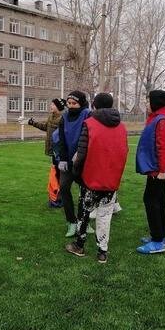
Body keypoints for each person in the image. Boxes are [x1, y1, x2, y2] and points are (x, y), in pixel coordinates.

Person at [65, 93, 128, 263]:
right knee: (105, 215)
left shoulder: (89, 124)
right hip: (111, 180)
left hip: (91, 178)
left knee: (84, 213)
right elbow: (124, 152)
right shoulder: (121, 127)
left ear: (94, 105)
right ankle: (102, 251)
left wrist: (76, 173)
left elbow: (82, 152)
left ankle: (79, 245)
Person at [135, 90, 165, 254]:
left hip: (157, 170)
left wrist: (162, 171)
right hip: (155, 169)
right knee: (159, 202)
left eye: (148, 101)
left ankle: (157, 241)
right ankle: (161, 236)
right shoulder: (159, 117)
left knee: (151, 201)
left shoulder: (161, 120)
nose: (146, 104)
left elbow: (163, 147)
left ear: (156, 103)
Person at [57, 90, 92, 237]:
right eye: (69, 103)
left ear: (81, 103)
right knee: (64, 188)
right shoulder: (64, 118)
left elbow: (91, 137)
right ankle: (71, 221)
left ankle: (84, 221)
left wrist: (80, 154)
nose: (71, 106)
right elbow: (62, 140)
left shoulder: (88, 115)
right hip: (68, 162)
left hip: (83, 161)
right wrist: (63, 159)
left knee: (85, 192)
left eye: (74, 103)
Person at [26, 98, 66, 207]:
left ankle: (59, 199)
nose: (50, 106)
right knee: (55, 174)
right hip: (52, 151)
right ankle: (55, 197)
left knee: (60, 175)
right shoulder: (51, 117)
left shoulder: (63, 119)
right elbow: (45, 127)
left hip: (59, 152)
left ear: (58, 107)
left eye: (52, 104)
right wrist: (32, 123)